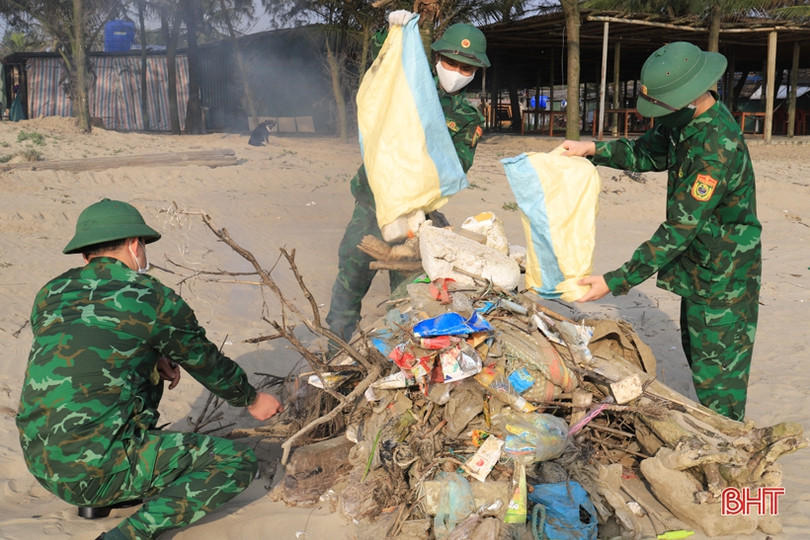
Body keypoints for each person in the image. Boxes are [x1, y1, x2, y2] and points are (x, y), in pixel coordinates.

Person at [16, 198, 283, 539]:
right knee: (237, 462)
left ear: (85, 255)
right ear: (133, 245)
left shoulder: (50, 293)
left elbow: (86, 348)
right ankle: (126, 534)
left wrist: (152, 355)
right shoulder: (151, 296)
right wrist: (250, 398)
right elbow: (203, 359)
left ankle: (97, 499)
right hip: (96, 469)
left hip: (42, 463)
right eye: (142, 246)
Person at [561, 42, 761, 422]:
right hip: (701, 267)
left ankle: (732, 459)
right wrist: (593, 150)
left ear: (688, 98)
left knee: (719, 380)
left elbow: (679, 230)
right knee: (698, 356)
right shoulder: (682, 122)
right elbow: (647, 153)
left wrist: (615, 280)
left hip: (725, 277)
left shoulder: (715, 146)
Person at [326, 13, 489, 344]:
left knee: (407, 297)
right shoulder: (408, 79)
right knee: (350, 279)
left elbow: (454, 167)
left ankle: (395, 360)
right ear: (437, 57)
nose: (456, 72)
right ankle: (335, 351)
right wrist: (395, 28)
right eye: (451, 61)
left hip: (416, 217)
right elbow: (383, 60)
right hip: (373, 204)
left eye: (466, 68)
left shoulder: (467, 118)